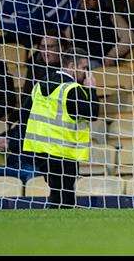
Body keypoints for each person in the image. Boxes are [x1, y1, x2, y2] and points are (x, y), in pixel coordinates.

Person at [22, 50, 99, 208]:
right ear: (71, 66)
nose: (86, 73)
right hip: (63, 151)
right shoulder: (72, 89)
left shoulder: (39, 84)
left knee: (56, 192)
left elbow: (24, 113)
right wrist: (91, 89)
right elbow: (92, 113)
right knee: (65, 196)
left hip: (41, 150)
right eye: (84, 68)